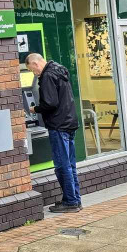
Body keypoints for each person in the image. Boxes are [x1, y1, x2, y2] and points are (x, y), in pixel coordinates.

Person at [26, 53, 82, 212]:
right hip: (70, 123)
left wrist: (35, 108)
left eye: (32, 70)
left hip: (58, 125)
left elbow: (50, 103)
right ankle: (74, 199)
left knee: (61, 165)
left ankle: (70, 202)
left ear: (36, 64)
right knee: (70, 164)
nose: (34, 74)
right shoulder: (60, 69)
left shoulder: (47, 76)